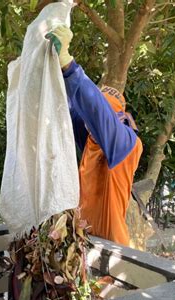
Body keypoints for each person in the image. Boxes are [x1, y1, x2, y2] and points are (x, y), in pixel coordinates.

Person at [47, 26, 143, 247]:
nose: (91, 125)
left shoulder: (126, 143)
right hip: (87, 244)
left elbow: (96, 111)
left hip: (115, 251)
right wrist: (55, 74)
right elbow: (74, 111)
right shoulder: (93, 141)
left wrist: (69, 66)